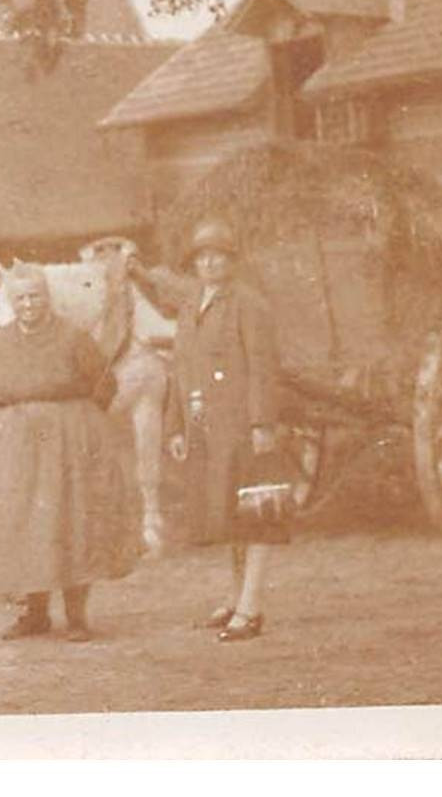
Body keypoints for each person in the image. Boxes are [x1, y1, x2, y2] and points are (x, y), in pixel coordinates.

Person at [0, 262, 121, 641]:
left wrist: (72, 423)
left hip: (67, 446)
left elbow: (105, 385)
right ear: (10, 301)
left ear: (47, 298)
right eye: (20, 297)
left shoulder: (74, 337)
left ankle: (76, 617)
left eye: (35, 296)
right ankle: (34, 613)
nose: (28, 305)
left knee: (70, 521)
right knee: (23, 523)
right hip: (15, 447)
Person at [161, 218, 285, 643]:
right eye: (202, 256)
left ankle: (251, 609)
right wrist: (175, 426)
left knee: (255, 514)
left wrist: (262, 424)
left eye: (218, 255)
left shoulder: (248, 305)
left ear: (231, 261)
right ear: (193, 264)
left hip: (241, 426)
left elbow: (263, 369)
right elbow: (180, 369)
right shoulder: (191, 304)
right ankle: (235, 598)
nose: (209, 262)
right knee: (226, 514)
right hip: (204, 429)